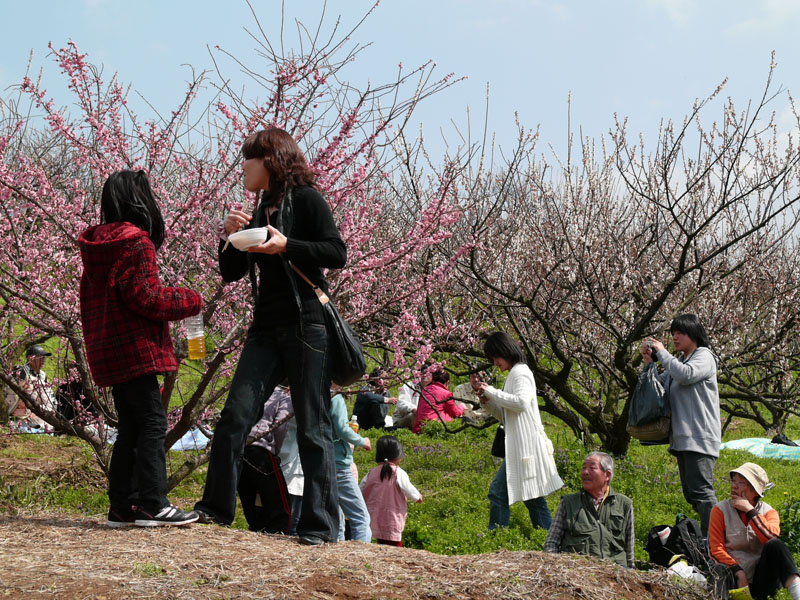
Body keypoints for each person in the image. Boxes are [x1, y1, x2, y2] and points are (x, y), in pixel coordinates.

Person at [194, 128, 347, 546]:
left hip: (307, 325)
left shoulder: (309, 199)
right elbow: (231, 274)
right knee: (234, 419)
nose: (242, 165)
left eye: (250, 158)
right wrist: (228, 238)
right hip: (264, 329)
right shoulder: (258, 209)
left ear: (272, 161)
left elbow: (337, 252)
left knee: (313, 427)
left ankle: (319, 528)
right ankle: (214, 511)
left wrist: (287, 245)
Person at [78, 169, 201, 527]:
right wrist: (188, 300)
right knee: (151, 423)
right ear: (139, 200)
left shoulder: (96, 248)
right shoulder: (136, 242)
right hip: (137, 350)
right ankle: (153, 503)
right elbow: (145, 297)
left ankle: (123, 507)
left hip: (110, 351)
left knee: (131, 427)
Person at [642, 313, 720, 537]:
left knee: (702, 492)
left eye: (680, 333)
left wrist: (663, 353)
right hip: (684, 438)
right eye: (673, 333)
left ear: (693, 334)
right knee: (691, 493)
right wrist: (650, 363)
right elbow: (659, 387)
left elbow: (686, 376)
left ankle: (715, 539)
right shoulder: (680, 362)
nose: (675, 337)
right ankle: (710, 536)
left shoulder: (704, 356)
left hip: (700, 437)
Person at [476, 331, 563, 531]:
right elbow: (509, 415)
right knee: (532, 497)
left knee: (498, 492)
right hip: (521, 446)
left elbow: (521, 403)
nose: (495, 362)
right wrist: (488, 402)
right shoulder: (515, 374)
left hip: (524, 447)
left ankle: (498, 537)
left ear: (505, 351)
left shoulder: (520, 372)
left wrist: (492, 391)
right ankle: (549, 539)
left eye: (495, 357)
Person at [709, 462, 800, 600]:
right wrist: (738, 571)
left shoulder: (769, 512)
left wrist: (750, 511)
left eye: (742, 483)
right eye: (734, 481)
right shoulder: (720, 510)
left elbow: (770, 537)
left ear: (755, 491)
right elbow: (715, 549)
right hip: (733, 577)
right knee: (719, 570)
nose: (734, 486)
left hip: (761, 580)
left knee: (776, 545)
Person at [544, 452, 634, 568]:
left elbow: (629, 550)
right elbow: (551, 543)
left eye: (592, 468)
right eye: (584, 468)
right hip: (578, 572)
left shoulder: (624, 504)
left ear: (607, 475)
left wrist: (631, 573)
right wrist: (556, 568)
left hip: (614, 573)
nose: (585, 472)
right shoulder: (568, 503)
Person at [237, 385, 293, 534]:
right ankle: (279, 530)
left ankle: (256, 527)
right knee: (278, 499)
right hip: (261, 448)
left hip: (238, 447)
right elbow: (280, 426)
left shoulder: (251, 390)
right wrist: (275, 450)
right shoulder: (283, 395)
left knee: (247, 492)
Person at [360, 435, 422, 546]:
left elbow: (361, 489)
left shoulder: (371, 473)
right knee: (394, 547)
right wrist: (417, 497)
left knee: (381, 544)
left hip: (374, 518)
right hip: (392, 520)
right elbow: (408, 488)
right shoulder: (398, 472)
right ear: (397, 455)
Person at [330, 386, 372, 542]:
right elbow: (341, 429)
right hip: (339, 464)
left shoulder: (315, 395)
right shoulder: (336, 398)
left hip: (322, 461)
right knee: (361, 518)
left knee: (337, 518)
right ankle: (361, 559)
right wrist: (362, 441)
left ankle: (339, 555)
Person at [412, 369, 464, 434]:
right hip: (434, 426)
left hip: (419, 427)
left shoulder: (425, 390)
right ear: (448, 383)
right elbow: (455, 413)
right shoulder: (446, 393)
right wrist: (461, 407)